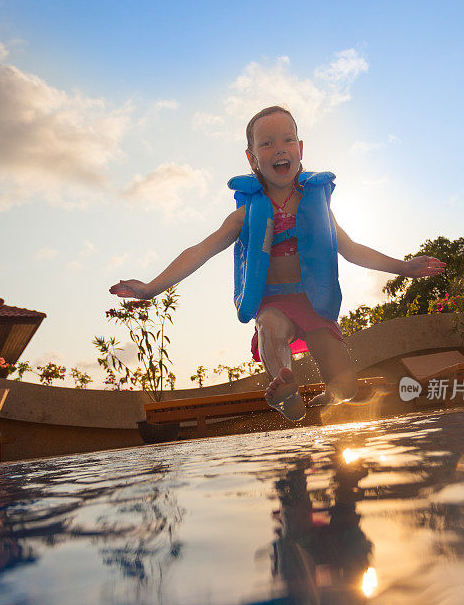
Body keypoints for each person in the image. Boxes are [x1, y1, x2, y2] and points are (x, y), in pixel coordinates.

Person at [110, 106, 445, 420]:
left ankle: (332, 393)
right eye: (267, 143)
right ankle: (285, 391)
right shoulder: (245, 215)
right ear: (252, 158)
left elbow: (352, 249)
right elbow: (202, 249)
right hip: (274, 303)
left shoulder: (317, 208)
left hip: (313, 301)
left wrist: (405, 267)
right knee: (269, 326)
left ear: (300, 148)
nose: (279, 148)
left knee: (346, 388)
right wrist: (153, 287)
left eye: (287, 140)